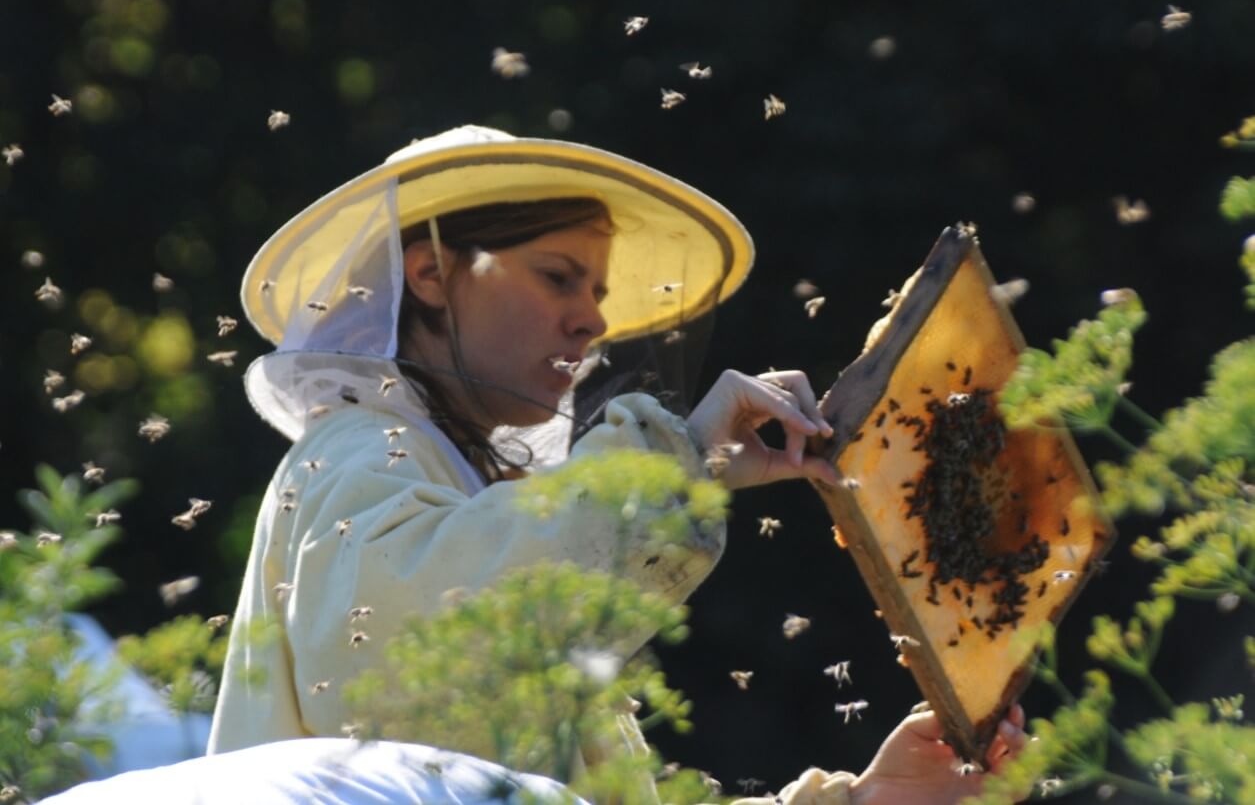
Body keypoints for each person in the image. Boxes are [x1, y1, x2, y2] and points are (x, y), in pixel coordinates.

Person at [200, 124, 1024, 803]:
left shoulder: (464, 487)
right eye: (558, 278)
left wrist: (871, 800)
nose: (589, 321)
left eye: (596, 294)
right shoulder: (356, 451)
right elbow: (439, 675)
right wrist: (671, 462)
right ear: (430, 275)